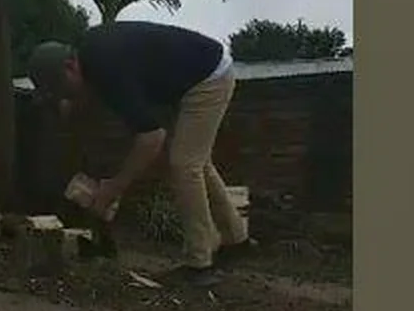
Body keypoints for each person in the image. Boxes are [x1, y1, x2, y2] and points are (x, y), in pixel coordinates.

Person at [27, 21, 255, 285]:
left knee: (184, 165)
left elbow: (151, 137)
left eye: (61, 89)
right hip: (198, 71)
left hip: (209, 77)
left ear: (70, 66)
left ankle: (200, 263)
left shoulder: (107, 68)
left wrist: (114, 188)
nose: (64, 95)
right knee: (196, 163)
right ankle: (236, 239)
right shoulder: (89, 56)